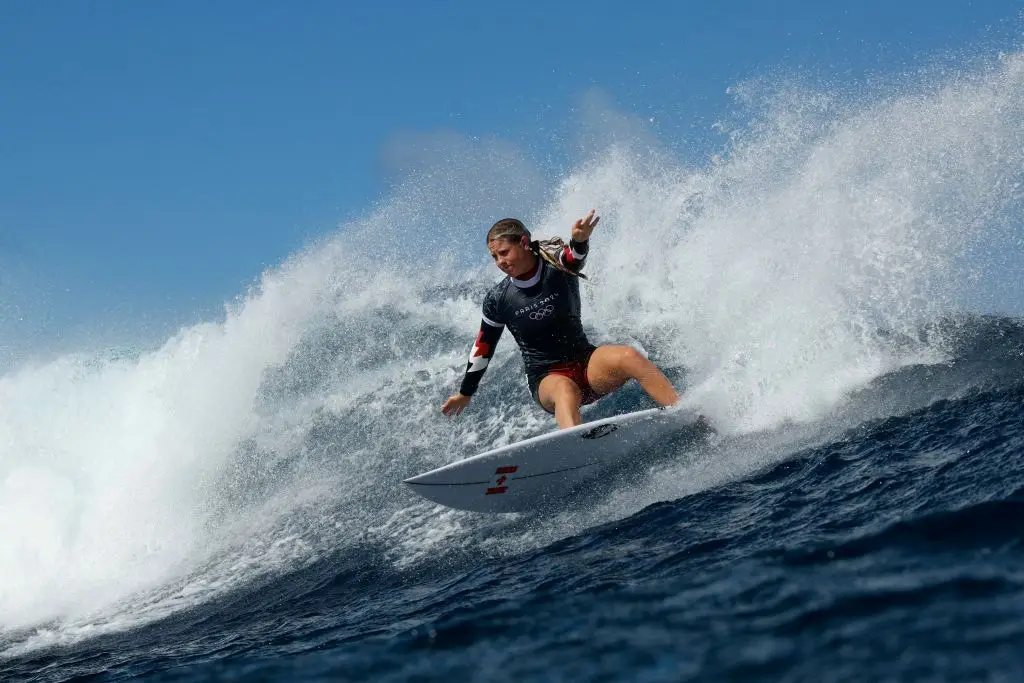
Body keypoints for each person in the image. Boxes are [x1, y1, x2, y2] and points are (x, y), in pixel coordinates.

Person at [440, 209, 682, 429]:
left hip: (587, 365)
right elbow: (484, 347)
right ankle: (577, 449)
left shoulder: (556, 264)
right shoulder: (498, 299)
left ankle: (681, 412)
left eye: (504, 253)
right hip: (547, 378)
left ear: (524, 242)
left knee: (629, 356)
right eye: (494, 257)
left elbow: (573, 258)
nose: (500, 262)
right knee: (565, 390)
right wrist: (466, 392)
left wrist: (579, 239)